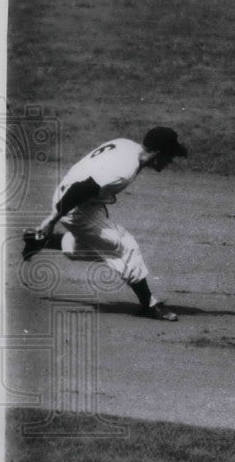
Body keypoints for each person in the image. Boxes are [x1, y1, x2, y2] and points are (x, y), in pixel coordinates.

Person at [22, 126, 188, 321]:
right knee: (123, 245)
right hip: (73, 205)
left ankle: (41, 241)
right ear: (158, 154)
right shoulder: (124, 171)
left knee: (99, 246)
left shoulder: (127, 145)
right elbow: (80, 189)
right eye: (170, 156)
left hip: (80, 199)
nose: (171, 161)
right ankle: (150, 305)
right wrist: (51, 220)